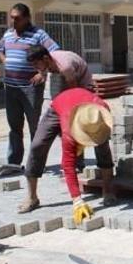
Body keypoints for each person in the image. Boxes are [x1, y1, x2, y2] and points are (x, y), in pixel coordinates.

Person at [17, 87, 115, 221]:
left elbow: (99, 129)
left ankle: (108, 190)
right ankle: (32, 197)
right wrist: (77, 200)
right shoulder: (69, 130)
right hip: (59, 107)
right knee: (37, 145)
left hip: (81, 107)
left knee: (103, 146)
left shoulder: (101, 114)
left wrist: (89, 140)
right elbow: (68, 165)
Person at [0, 3, 59, 169]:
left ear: (26, 18)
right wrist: (5, 61)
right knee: (15, 127)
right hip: (11, 88)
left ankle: (36, 162)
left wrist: (42, 73)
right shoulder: (8, 34)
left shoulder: (38, 34)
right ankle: (14, 163)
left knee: (35, 126)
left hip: (30, 88)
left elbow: (54, 51)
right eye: (12, 18)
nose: (13, 21)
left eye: (17, 18)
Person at [24, 46, 93, 174]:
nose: (35, 68)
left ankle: (77, 164)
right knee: (42, 138)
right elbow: (44, 71)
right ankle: (35, 171)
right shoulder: (46, 63)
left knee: (72, 129)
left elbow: (74, 93)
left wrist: (68, 114)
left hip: (80, 86)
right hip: (62, 87)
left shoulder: (65, 66)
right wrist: (41, 74)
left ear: (45, 58)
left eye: (36, 64)